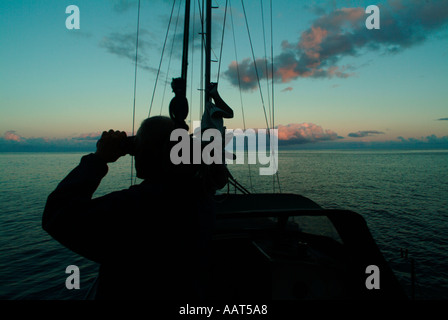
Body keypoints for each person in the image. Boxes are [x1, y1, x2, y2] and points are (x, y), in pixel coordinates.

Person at [42, 116, 221, 300]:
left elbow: (57, 215)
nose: (135, 152)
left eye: (139, 144)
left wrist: (98, 159)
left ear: (153, 151)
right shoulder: (197, 195)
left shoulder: (139, 206)